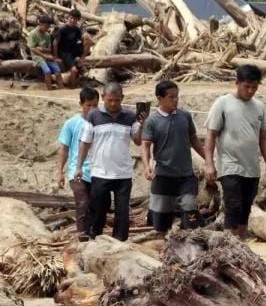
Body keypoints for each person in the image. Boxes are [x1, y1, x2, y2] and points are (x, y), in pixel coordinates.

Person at [204, 64, 266, 239]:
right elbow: (211, 135)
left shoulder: (259, 106)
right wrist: (209, 164)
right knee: (233, 207)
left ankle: (240, 247)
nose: (250, 91)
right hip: (230, 166)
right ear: (237, 83)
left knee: (245, 210)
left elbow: (264, 137)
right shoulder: (223, 103)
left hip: (251, 168)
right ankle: (228, 247)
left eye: (254, 87)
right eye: (247, 86)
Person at [74, 82, 143, 241]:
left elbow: (138, 141)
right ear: (103, 98)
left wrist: (142, 125)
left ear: (122, 99)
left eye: (117, 100)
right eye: (109, 100)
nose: (113, 103)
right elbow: (85, 143)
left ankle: (120, 242)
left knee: (122, 210)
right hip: (100, 172)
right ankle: (95, 238)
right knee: (98, 208)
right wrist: (78, 167)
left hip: (123, 174)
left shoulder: (130, 117)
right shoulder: (93, 116)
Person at [141, 80, 205, 235]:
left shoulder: (185, 116)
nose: (175, 100)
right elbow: (145, 145)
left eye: (177, 96)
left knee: (190, 210)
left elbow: (194, 139)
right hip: (163, 176)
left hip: (186, 176)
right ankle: (163, 250)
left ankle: (193, 245)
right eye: (171, 97)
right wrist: (146, 166)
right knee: (161, 223)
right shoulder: (152, 121)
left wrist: (208, 159)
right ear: (159, 98)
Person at [55, 87, 99, 238]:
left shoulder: (102, 123)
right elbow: (64, 149)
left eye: (95, 105)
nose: (92, 109)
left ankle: (94, 235)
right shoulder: (71, 123)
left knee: (96, 205)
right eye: (89, 105)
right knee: (83, 203)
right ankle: (83, 236)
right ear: (81, 104)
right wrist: (59, 172)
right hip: (77, 171)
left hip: (98, 171)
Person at [53, 8, 91, 88]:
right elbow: (55, 43)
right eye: (71, 18)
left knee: (88, 40)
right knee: (74, 70)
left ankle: (81, 59)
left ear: (78, 20)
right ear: (68, 17)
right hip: (64, 52)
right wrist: (56, 57)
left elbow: (82, 40)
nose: (73, 20)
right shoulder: (62, 29)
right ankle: (72, 86)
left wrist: (85, 36)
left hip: (73, 49)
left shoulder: (77, 29)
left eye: (75, 19)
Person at [26, 15, 64, 90]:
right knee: (47, 71)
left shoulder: (47, 35)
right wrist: (44, 54)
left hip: (46, 55)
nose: (47, 29)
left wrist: (41, 49)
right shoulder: (32, 34)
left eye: (48, 27)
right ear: (40, 24)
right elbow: (32, 49)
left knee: (57, 70)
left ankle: (61, 88)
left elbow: (49, 49)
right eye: (46, 26)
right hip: (37, 57)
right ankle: (49, 89)